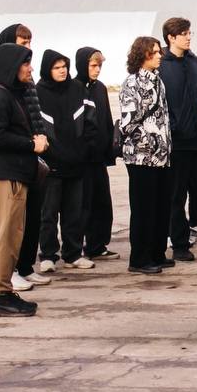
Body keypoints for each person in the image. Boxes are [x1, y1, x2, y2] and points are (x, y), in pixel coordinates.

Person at [0, 43, 47, 316]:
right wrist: (31, 144)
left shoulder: (12, 93)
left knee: (12, 234)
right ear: (11, 66)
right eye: (25, 63)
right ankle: (1, 294)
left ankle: (5, 291)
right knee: (6, 235)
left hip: (15, 174)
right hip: (5, 175)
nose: (30, 68)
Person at [158, 17, 197, 262]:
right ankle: (180, 244)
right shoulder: (162, 65)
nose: (188, 37)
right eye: (183, 34)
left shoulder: (194, 62)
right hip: (177, 144)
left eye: (189, 33)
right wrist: (174, 128)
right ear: (171, 37)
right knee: (177, 197)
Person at [0, 23, 50, 289]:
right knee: (9, 226)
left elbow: (34, 115)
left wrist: (42, 141)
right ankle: (8, 275)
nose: (27, 49)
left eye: (29, 43)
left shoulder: (24, 82)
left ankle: (25, 266)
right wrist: (30, 144)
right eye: (22, 43)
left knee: (29, 219)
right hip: (10, 164)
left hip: (31, 157)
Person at [35, 50, 96, 271]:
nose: (62, 71)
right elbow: (36, 127)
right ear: (47, 69)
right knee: (48, 214)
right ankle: (48, 255)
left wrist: (84, 150)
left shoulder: (78, 89)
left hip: (76, 163)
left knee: (74, 213)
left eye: (64, 67)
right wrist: (48, 154)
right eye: (57, 67)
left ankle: (73, 254)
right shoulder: (37, 92)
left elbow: (91, 122)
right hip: (51, 165)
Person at [119, 36, 172, 274]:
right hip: (141, 157)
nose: (160, 55)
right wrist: (149, 140)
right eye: (155, 52)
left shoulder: (158, 81)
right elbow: (128, 122)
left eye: (159, 51)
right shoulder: (132, 83)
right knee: (143, 208)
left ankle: (157, 252)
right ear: (143, 55)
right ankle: (139, 258)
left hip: (162, 156)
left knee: (161, 206)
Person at [75, 47, 119, 260]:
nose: (97, 69)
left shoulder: (100, 88)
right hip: (82, 157)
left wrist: (110, 149)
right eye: (93, 65)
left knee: (102, 202)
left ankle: (98, 244)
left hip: (98, 157)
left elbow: (106, 119)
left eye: (99, 65)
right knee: (83, 203)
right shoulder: (74, 88)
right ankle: (76, 246)